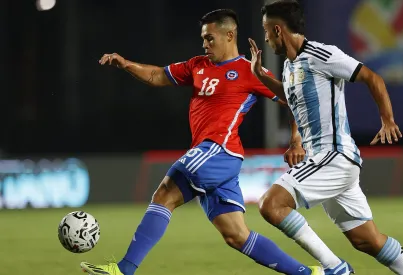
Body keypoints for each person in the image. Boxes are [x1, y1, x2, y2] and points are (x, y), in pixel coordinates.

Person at [79, 8, 323, 275]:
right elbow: (158, 75)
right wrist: (126, 64)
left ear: (230, 35)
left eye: (210, 38)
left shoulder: (249, 71)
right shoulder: (198, 65)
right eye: (203, 39)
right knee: (237, 235)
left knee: (164, 194)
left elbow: (293, 100)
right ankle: (308, 273)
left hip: (218, 149)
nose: (204, 44)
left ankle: (124, 270)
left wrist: (296, 140)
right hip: (216, 158)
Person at [248, 1, 403, 275]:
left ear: (277, 29)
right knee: (367, 240)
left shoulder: (322, 54)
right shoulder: (289, 66)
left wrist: (387, 119)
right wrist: (260, 76)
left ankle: (335, 267)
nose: (265, 38)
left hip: (334, 156)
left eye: (266, 31)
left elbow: (372, 77)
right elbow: (291, 98)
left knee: (271, 204)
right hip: (328, 161)